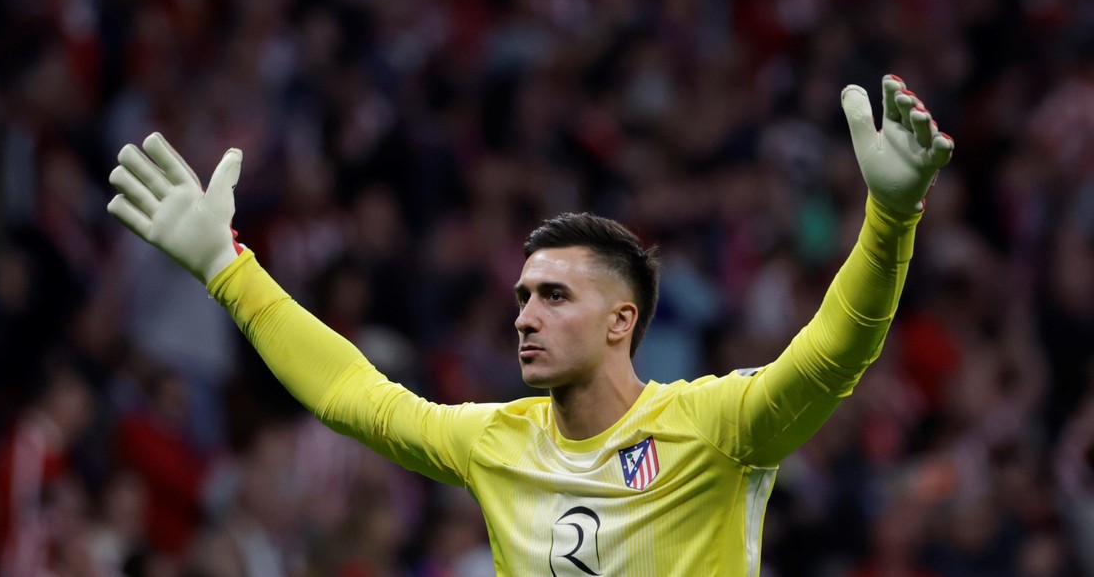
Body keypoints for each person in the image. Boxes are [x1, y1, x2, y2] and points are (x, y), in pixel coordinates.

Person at [107, 75, 954, 575]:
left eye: (554, 297)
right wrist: (227, 269)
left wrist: (890, 216)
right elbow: (349, 393)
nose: (524, 317)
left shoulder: (717, 428)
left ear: (622, 321)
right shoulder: (495, 444)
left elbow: (835, 351)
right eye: (521, 297)